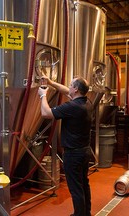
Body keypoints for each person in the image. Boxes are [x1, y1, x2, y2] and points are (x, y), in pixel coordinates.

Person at [38, 76, 93, 216]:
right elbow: (65, 91)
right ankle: (85, 213)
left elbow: (46, 113)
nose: (68, 87)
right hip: (84, 151)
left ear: (75, 89)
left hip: (73, 154)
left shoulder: (72, 107)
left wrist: (42, 95)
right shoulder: (86, 102)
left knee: (75, 188)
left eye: (70, 85)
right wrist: (51, 83)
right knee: (83, 184)